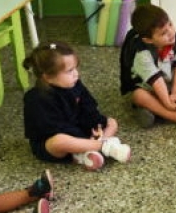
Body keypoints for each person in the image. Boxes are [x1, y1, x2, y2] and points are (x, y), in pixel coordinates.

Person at [23, 41, 131, 170]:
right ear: (48, 77)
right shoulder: (37, 99)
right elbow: (54, 128)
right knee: (59, 141)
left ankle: (86, 153)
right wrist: (83, 137)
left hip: (80, 131)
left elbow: (88, 107)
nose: (76, 74)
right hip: (53, 143)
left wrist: (95, 126)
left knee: (112, 122)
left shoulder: (74, 84)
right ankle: (103, 146)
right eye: (69, 71)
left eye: (75, 68)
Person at [127, 3, 176, 129]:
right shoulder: (142, 54)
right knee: (138, 95)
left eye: (170, 24)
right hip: (149, 89)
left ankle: (154, 111)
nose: (171, 33)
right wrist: (167, 103)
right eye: (163, 33)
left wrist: (175, 94)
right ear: (148, 40)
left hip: (169, 86)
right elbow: (156, 81)